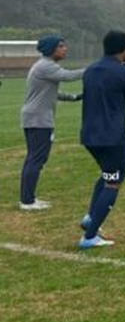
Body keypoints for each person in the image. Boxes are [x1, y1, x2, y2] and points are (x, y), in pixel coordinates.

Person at [78, 30, 125, 249]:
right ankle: (89, 236)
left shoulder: (90, 70)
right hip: (112, 136)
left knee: (107, 174)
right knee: (113, 182)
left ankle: (91, 217)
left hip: (89, 134)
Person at [18, 35, 84, 210]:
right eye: (61, 46)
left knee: (34, 159)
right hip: (39, 119)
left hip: (35, 117)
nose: (65, 49)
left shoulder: (45, 66)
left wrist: (75, 97)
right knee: (36, 159)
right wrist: (96, 69)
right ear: (51, 49)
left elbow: (54, 92)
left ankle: (28, 198)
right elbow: (69, 76)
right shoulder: (46, 66)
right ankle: (27, 201)